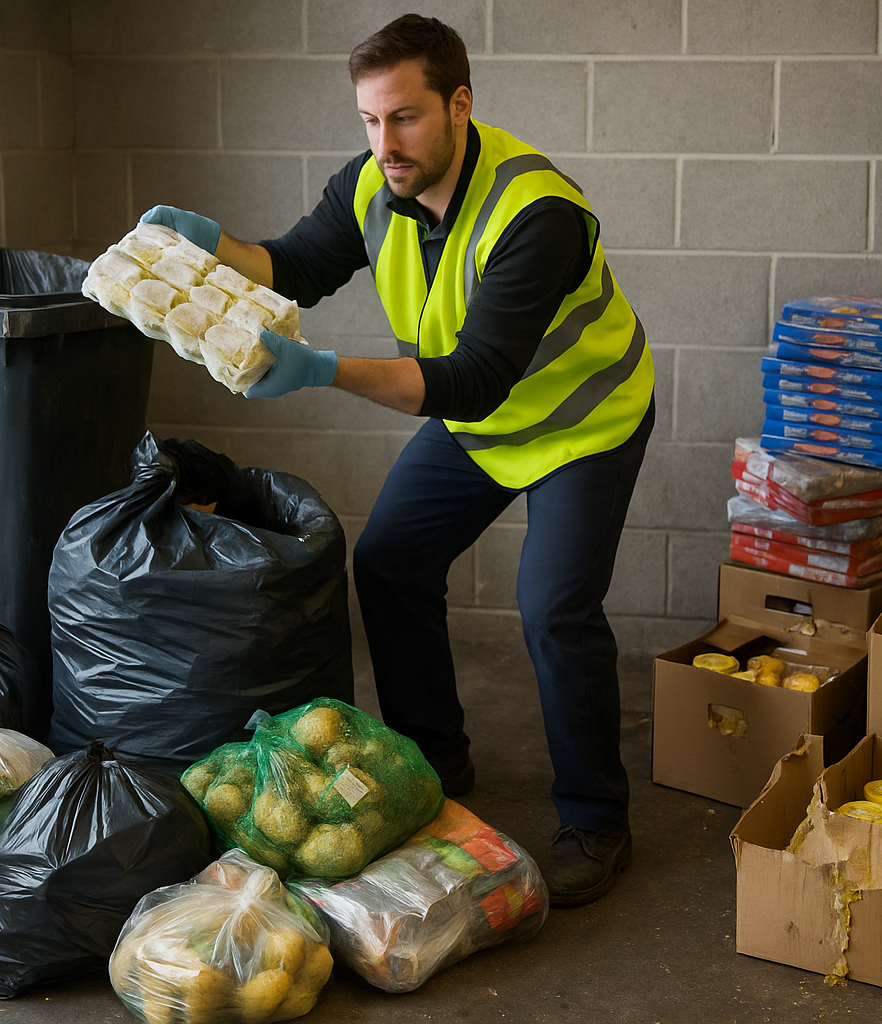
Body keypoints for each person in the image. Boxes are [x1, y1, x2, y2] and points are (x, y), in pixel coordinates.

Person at [141, 14, 653, 907]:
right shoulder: (374, 182)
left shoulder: (539, 216)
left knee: (554, 609)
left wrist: (322, 371)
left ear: (460, 103)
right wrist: (207, 240)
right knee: (388, 563)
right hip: (483, 422)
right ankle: (437, 759)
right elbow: (293, 266)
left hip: (581, 424)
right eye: (371, 122)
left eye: (406, 118)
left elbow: (475, 378)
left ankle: (598, 822)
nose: (386, 143)